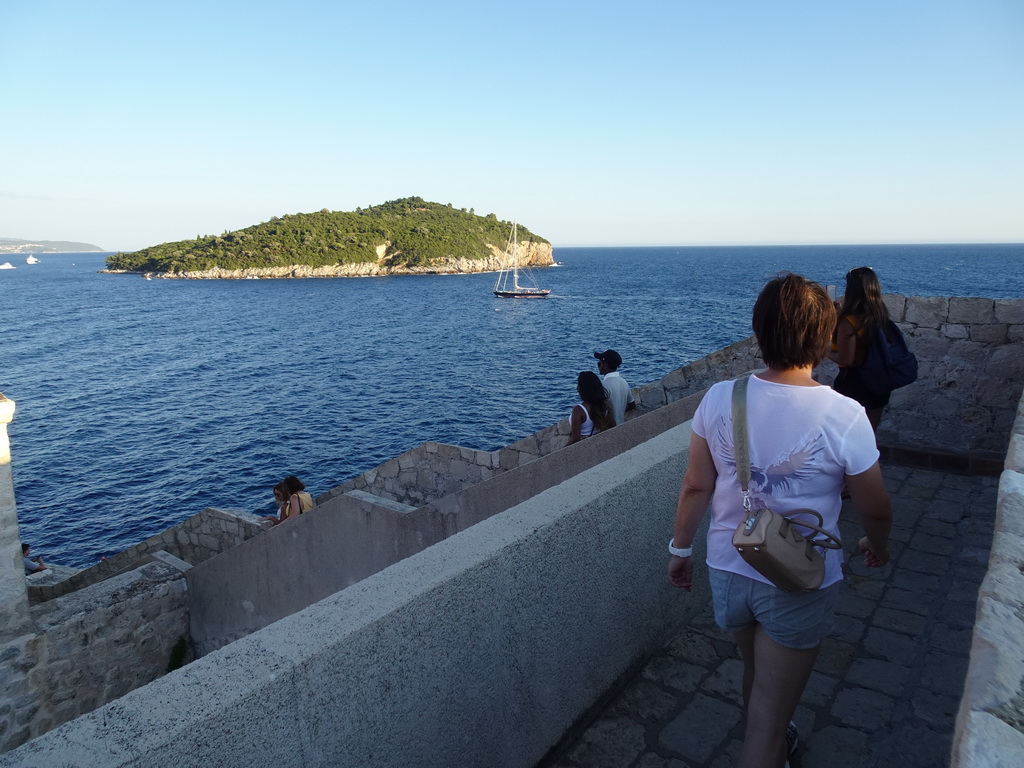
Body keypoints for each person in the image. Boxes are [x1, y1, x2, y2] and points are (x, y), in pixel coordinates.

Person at [667, 273, 892, 768]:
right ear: (823, 336)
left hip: (731, 565)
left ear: (760, 330)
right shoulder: (845, 414)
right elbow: (875, 507)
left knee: (756, 674)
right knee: (767, 725)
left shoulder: (720, 397)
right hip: (797, 577)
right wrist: (877, 545)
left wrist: (680, 551)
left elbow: (695, 486)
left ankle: (770, 733)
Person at [827, 266, 891, 432]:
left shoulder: (849, 322)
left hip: (854, 384)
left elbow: (846, 359)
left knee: (846, 436)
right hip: (879, 382)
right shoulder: (880, 316)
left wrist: (824, 349)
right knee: (869, 436)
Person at [566, 371, 614, 445]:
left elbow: (575, 439)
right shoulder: (604, 406)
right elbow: (613, 426)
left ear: (581, 388)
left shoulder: (579, 410)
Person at [594, 349, 636, 425]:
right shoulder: (623, 382)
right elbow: (632, 405)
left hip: (609, 429)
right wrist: (619, 409)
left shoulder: (603, 385)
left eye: (599, 363)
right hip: (621, 426)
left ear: (606, 365)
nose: (598, 366)